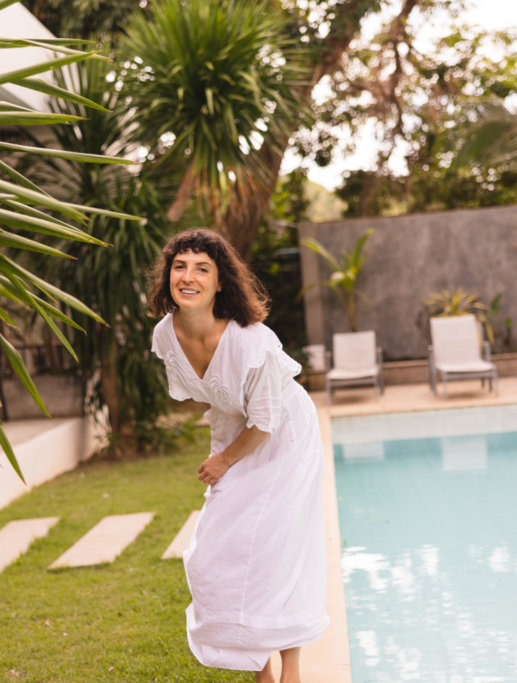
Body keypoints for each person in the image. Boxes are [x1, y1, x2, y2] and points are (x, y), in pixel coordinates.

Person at [148, 228, 329, 683]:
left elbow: (266, 421)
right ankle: (258, 662)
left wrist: (225, 459)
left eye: (201, 269)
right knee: (214, 549)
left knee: (278, 547)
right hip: (234, 430)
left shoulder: (254, 341)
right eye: (180, 266)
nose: (187, 277)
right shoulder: (165, 334)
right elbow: (203, 394)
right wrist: (225, 435)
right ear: (168, 275)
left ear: (220, 282)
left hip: (286, 434)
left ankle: (287, 671)